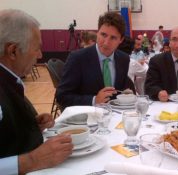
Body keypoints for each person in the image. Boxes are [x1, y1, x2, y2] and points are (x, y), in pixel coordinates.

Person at [0, 9, 73, 174]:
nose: (40, 55)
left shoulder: (10, 80)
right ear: (13, 51)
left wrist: (29, 127)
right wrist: (33, 160)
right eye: (37, 48)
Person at [56, 12, 134, 109]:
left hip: (115, 117)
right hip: (87, 119)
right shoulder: (77, 58)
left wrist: (124, 95)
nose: (106, 43)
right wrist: (94, 100)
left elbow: (118, 91)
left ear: (121, 40)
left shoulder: (124, 59)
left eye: (113, 38)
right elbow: (62, 96)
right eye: (103, 35)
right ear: (97, 33)